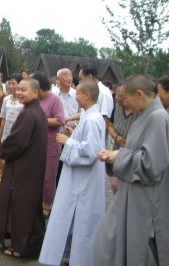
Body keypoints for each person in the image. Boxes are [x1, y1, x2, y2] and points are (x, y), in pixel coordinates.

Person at [96, 75, 169, 266]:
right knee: (109, 243)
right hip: (130, 192)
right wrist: (117, 153)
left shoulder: (158, 118)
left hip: (143, 198)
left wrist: (119, 156)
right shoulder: (145, 116)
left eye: (124, 97)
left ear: (138, 94)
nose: (122, 103)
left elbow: (152, 163)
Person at [39, 81, 106, 266]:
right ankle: (67, 255)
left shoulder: (92, 119)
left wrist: (68, 141)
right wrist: (73, 133)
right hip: (80, 179)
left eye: (78, 94)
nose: (75, 97)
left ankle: (76, 258)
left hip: (82, 182)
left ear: (86, 95)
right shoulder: (89, 116)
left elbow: (90, 152)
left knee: (80, 220)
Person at [0, 78, 48, 258]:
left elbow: (18, 142)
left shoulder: (29, 114)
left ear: (35, 92)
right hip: (32, 167)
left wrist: (2, 151)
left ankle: (20, 249)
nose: (19, 93)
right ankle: (33, 246)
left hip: (23, 168)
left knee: (21, 208)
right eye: (18, 89)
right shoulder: (36, 111)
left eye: (24, 90)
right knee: (31, 207)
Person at [32, 72, 65, 218]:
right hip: (36, 143)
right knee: (37, 174)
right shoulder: (35, 100)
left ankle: (47, 204)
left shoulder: (54, 99)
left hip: (51, 143)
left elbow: (60, 120)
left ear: (40, 87)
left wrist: (40, 120)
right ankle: (37, 201)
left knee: (48, 177)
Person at [106, 84, 138, 194]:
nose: (116, 98)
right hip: (117, 150)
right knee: (115, 185)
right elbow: (109, 125)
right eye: (116, 95)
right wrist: (117, 137)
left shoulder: (140, 112)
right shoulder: (117, 108)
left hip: (132, 153)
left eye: (120, 96)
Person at [52, 68, 80, 186]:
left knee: (68, 163)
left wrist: (71, 122)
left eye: (70, 75)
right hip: (55, 133)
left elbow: (82, 112)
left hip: (72, 133)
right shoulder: (53, 94)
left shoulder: (77, 94)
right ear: (58, 80)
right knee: (55, 162)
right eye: (65, 75)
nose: (69, 77)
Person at [79, 65, 114, 146]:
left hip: (95, 142)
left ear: (90, 77)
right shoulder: (89, 92)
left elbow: (105, 121)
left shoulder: (104, 93)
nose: (80, 82)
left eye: (81, 79)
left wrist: (94, 141)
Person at [0, 73, 24, 146]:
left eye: (14, 84)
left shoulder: (23, 100)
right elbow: (3, 118)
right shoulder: (6, 99)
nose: (11, 86)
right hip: (6, 135)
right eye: (9, 84)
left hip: (19, 135)